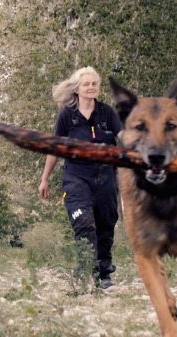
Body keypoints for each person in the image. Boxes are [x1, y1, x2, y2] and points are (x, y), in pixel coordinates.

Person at [39, 66, 121, 289]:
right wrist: (45, 178)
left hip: (106, 176)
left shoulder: (107, 113)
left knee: (106, 224)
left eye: (94, 83)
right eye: (86, 84)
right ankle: (87, 270)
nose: (91, 87)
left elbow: (125, 137)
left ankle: (104, 273)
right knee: (83, 222)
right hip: (76, 176)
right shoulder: (67, 115)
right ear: (77, 88)